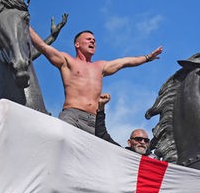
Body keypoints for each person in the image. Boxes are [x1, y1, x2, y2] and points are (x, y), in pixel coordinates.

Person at [29, 27, 162, 134]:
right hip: (72, 115)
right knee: (61, 145)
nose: (93, 41)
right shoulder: (67, 61)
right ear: (77, 44)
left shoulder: (100, 66)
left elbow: (125, 62)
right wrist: (24, 19)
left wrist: (148, 57)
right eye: (88, 39)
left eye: (94, 40)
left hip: (93, 120)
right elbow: (42, 46)